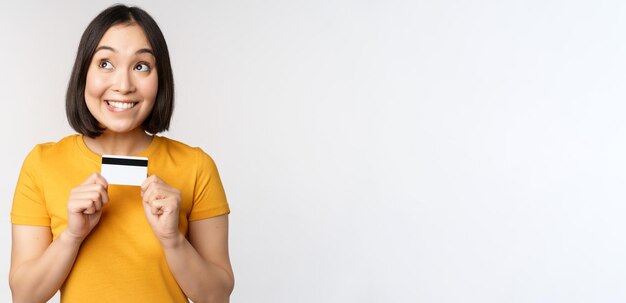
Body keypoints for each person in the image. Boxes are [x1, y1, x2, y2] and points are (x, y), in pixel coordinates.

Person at [9, 4, 234, 303]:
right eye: (105, 63)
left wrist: (173, 240)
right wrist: (72, 236)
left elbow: (217, 297)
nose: (124, 85)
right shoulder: (41, 164)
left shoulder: (196, 166)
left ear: (160, 78)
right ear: (83, 73)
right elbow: (24, 296)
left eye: (141, 66)